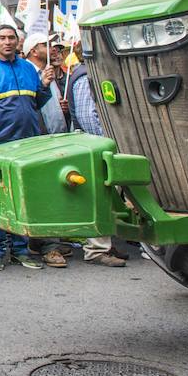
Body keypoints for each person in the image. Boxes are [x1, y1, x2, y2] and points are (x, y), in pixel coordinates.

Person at [0, 24, 51, 272]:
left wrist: (45, 86)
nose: (7, 42)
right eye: (2, 38)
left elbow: (37, 102)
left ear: (18, 42)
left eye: (11, 38)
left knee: (23, 198)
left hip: (27, 144)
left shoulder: (28, 68)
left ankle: (20, 249)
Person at [68, 44, 128, 267]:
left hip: (101, 146)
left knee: (110, 197)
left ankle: (105, 244)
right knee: (99, 196)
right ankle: (96, 249)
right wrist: (110, 143)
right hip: (96, 147)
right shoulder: (86, 77)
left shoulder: (92, 74)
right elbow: (88, 116)